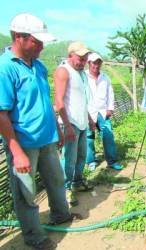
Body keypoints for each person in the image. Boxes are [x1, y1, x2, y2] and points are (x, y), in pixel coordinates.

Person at [0, 13, 79, 250]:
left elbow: (46, 102)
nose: (42, 46)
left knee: (56, 179)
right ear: (19, 37)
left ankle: (60, 215)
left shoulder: (39, 66)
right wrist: (17, 152)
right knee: (26, 193)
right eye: (37, 41)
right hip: (23, 143)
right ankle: (34, 236)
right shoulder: (5, 69)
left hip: (46, 137)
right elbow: (1, 113)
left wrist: (57, 130)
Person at [54, 42, 95, 206]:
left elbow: (82, 101)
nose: (83, 61)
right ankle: (66, 189)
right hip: (70, 123)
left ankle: (77, 182)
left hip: (82, 122)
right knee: (69, 159)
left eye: (85, 58)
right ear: (70, 55)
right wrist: (67, 126)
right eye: (80, 58)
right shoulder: (64, 71)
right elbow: (59, 101)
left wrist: (90, 120)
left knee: (81, 156)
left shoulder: (81, 73)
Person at [85, 52, 123, 171]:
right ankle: (91, 161)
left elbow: (110, 93)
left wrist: (110, 108)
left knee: (108, 136)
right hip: (88, 112)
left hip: (102, 112)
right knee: (89, 137)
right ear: (89, 63)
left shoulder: (105, 77)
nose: (96, 65)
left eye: (99, 62)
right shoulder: (83, 76)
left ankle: (111, 161)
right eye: (94, 63)